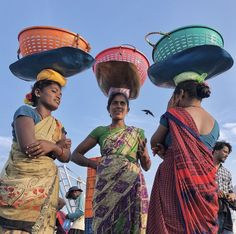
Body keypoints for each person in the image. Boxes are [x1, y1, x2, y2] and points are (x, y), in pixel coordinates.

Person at [0, 69, 71, 234]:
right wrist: (57, 148)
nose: (59, 96)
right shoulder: (25, 112)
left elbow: (67, 157)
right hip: (20, 182)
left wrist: (53, 147)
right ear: (38, 92)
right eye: (54, 91)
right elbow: (29, 148)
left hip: (45, 187)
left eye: (60, 93)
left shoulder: (59, 125)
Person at [71, 88, 151, 234]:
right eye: (114, 103)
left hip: (132, 185)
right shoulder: (100, 131)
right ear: (109, 109)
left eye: (122, 103)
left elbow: (147, 166)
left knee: (132, 223)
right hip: (106, 186)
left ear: (127, 109)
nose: (118, 106)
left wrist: (143, 155)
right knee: (104, 223)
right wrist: (95, 165)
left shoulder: (137, 133)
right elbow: (75, 155)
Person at [147, 78, 219, 234]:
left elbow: (154, 141)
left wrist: (168, 111)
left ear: (181, 94)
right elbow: (203, 154)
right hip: (204, 183)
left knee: (170, 224)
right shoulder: (215, 123)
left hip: (173, 177)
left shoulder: (174, 115)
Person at [213, 141, 236, 234]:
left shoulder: (227, 173)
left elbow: (231, 191)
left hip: (224, 213)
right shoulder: (203, 169)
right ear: (215, 151)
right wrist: (215, 192)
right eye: (225, 151)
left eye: (228, 153)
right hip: (206, 211)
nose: (227, 155)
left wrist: (232, 195)